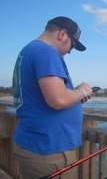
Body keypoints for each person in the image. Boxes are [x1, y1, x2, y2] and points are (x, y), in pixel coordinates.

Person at [12, 16, 92, 179]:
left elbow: (48, 94)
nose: (70, 50)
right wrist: (83, 91)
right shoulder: (46, 52)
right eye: (73, 44)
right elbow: (58, 100)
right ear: (62, 34)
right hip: (48, 150)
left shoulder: (29, 50)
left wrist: (74, 94)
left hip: (36, 144)